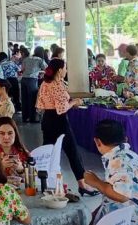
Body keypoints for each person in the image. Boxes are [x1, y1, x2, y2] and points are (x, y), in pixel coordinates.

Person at [82, 119, 138, 225]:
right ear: (125, 139)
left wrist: (95, 182)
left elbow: (121, 195)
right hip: (137, 222)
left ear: (97, 142)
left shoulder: (118, 161)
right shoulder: (129, 155)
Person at [37, 60, 97, 197]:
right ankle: (82, 184)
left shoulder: (45, 83)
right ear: (59, 70)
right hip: (59, 122)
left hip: (47, 119)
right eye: (65, 68)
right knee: (72, 152)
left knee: (48, 153)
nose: (66, 70)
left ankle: (44, 183)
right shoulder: (57, 85)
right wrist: (74, 102)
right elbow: (61, 108)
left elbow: (40, 105)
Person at [19, 47, 46, 123]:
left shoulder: (26, 59)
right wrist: (40, 73)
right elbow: (47, 69)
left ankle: (24, 118)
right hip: (32, 80)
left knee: (24, 99)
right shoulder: (40, 60)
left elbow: (22, 70)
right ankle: (32, 118)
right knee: (32, 100)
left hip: (24, 80)